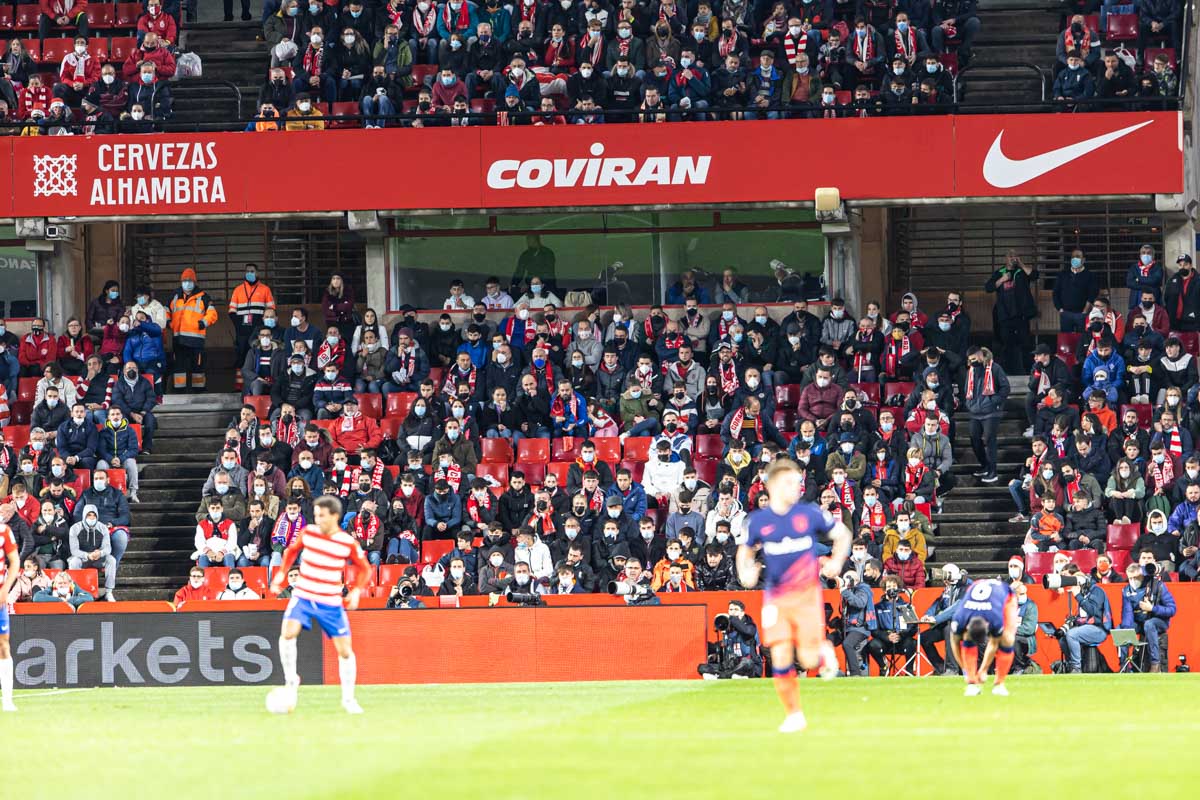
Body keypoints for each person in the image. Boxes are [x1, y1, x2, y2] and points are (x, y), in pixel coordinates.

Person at [737, 458, 850, 733]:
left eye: (797, 482)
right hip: (775, 597)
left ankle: (823, 653)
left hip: (807, 594)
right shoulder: (757, 521)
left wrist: (836, 561)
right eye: (789, 482)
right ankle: (794, 714)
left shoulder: (809, 513)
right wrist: (746, 573)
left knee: (808, 660)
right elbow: (745, 551)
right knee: (780, 654)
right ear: (772, 484)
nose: (796, 487)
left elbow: (843, 534)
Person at [269, 495, 369, 714]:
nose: (317, 519)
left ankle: (348, 699)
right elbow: (290, 551)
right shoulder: (309, 533)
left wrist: (356, 591)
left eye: (321, 516)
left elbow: (365, 569)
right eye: (315, 515)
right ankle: (291, 680)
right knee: (287, 632)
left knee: (344, 651)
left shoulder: (347, 542)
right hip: (303, 595)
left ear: (334, 516)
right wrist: (281, 575)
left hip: (330, 600)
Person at [948, 578, 1019, 696]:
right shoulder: (960, 617)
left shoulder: (995, 618)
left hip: (1006, 596)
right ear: (967, 626)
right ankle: (971, 684)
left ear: (987, 626)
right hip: (976, 587)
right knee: (967, 638)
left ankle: (999, 684)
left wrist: (983, 670)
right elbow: (954, 642)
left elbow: (994, 642)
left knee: (1007, 639)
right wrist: (966, 672)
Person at [984, 251, 1038, 375]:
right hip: (1005, 316)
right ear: (1005, 258)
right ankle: (1006, 372)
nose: (1013, 258)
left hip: (1022, 315)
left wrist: (1021, 264)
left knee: (1025, 344)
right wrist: (1002, 280)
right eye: (1011, 256)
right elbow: (988, 287)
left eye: (1015, 256)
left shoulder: (1021, 272)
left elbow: (1034, 275)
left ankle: (1027, 371)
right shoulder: (1000, 273)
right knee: (1006, 345)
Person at [168, 268, 219, 393]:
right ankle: (179, 392)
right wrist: (169, 322)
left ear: (194, 281)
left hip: (196, 340)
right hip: (178, 339)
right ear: (181, 281)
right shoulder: (174, 296)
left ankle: (199, 391)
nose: (187, 283)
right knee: (179, 368)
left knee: (198, 367)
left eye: (190, 280)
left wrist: (202, 323)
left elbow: (213, 314)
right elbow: (166, 311)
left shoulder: (203, 297)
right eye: (185, 280)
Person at [1118, 562, 1175, 672]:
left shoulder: (1157, 585)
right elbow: (1127, 613)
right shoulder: (1127, 591)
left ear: (1142, 575)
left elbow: (1172, 610)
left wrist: (1153, 608)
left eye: (1135, 577)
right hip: (1139, 621)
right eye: (1130, 578)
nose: (1133, 581)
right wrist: (1127, 629)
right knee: (1120, 629)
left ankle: (1155, 663)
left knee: (1149, 624)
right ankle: (1124, 665)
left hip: (1159, 621)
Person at [227, 264, 276, 388]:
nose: (250, 273)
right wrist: (239, 326)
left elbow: (271, 309)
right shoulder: (238, 290)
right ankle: (239, 386)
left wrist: (263, 326)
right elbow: (232, 311)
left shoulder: (265, 289)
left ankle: (257, 384)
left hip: (259, 331)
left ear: (257, 273)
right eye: (248, 271)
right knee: (241, 357)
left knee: (258, 356)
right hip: (242, 331)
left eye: (252, 271)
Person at [965, 347, 1009, 484]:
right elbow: (967, 388)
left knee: (990, 440)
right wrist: (969, 404)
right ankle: (985, 465)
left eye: (974, 358)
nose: (972, 361)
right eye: (970, 359)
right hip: (975, 412)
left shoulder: (995, 368)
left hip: (991, 412)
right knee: (974, 439)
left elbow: (1005, 388)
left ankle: (993, 471)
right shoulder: (971, 371)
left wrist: (992, 401)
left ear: (980, 355)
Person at [1060, 564, 1113, 674]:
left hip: (1099, 629)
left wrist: (1078, 596)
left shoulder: (1096, 591)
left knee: (1072, 634)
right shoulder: (1084, 593)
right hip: (1086, 628)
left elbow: (1093, 611)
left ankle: (1076, 668)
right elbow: (1083, 617)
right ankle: (1072, 664)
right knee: (1063, 638)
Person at [0, 513, 18, 710]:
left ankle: (7, 700)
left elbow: (15, 561)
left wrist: (5, 589)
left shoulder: (4, 531)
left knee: (3, 645)